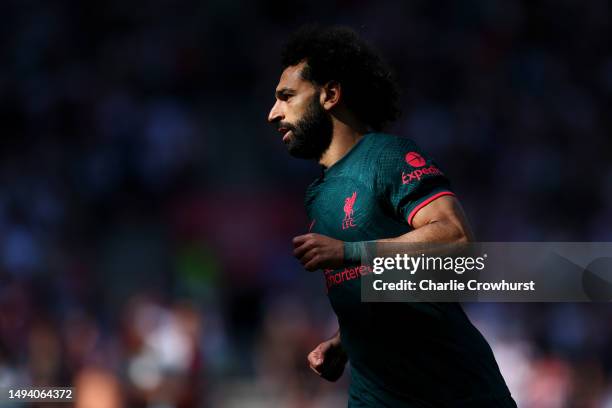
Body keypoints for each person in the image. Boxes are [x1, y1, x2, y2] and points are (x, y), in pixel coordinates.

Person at [267, 25, 517, 407]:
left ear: (330, 95)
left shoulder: (387, 156)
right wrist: (345, 340)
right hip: (376, 396)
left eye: (286, 97)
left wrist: (350, 252)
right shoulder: (318, 194)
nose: (273, 114)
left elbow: (456, 238)